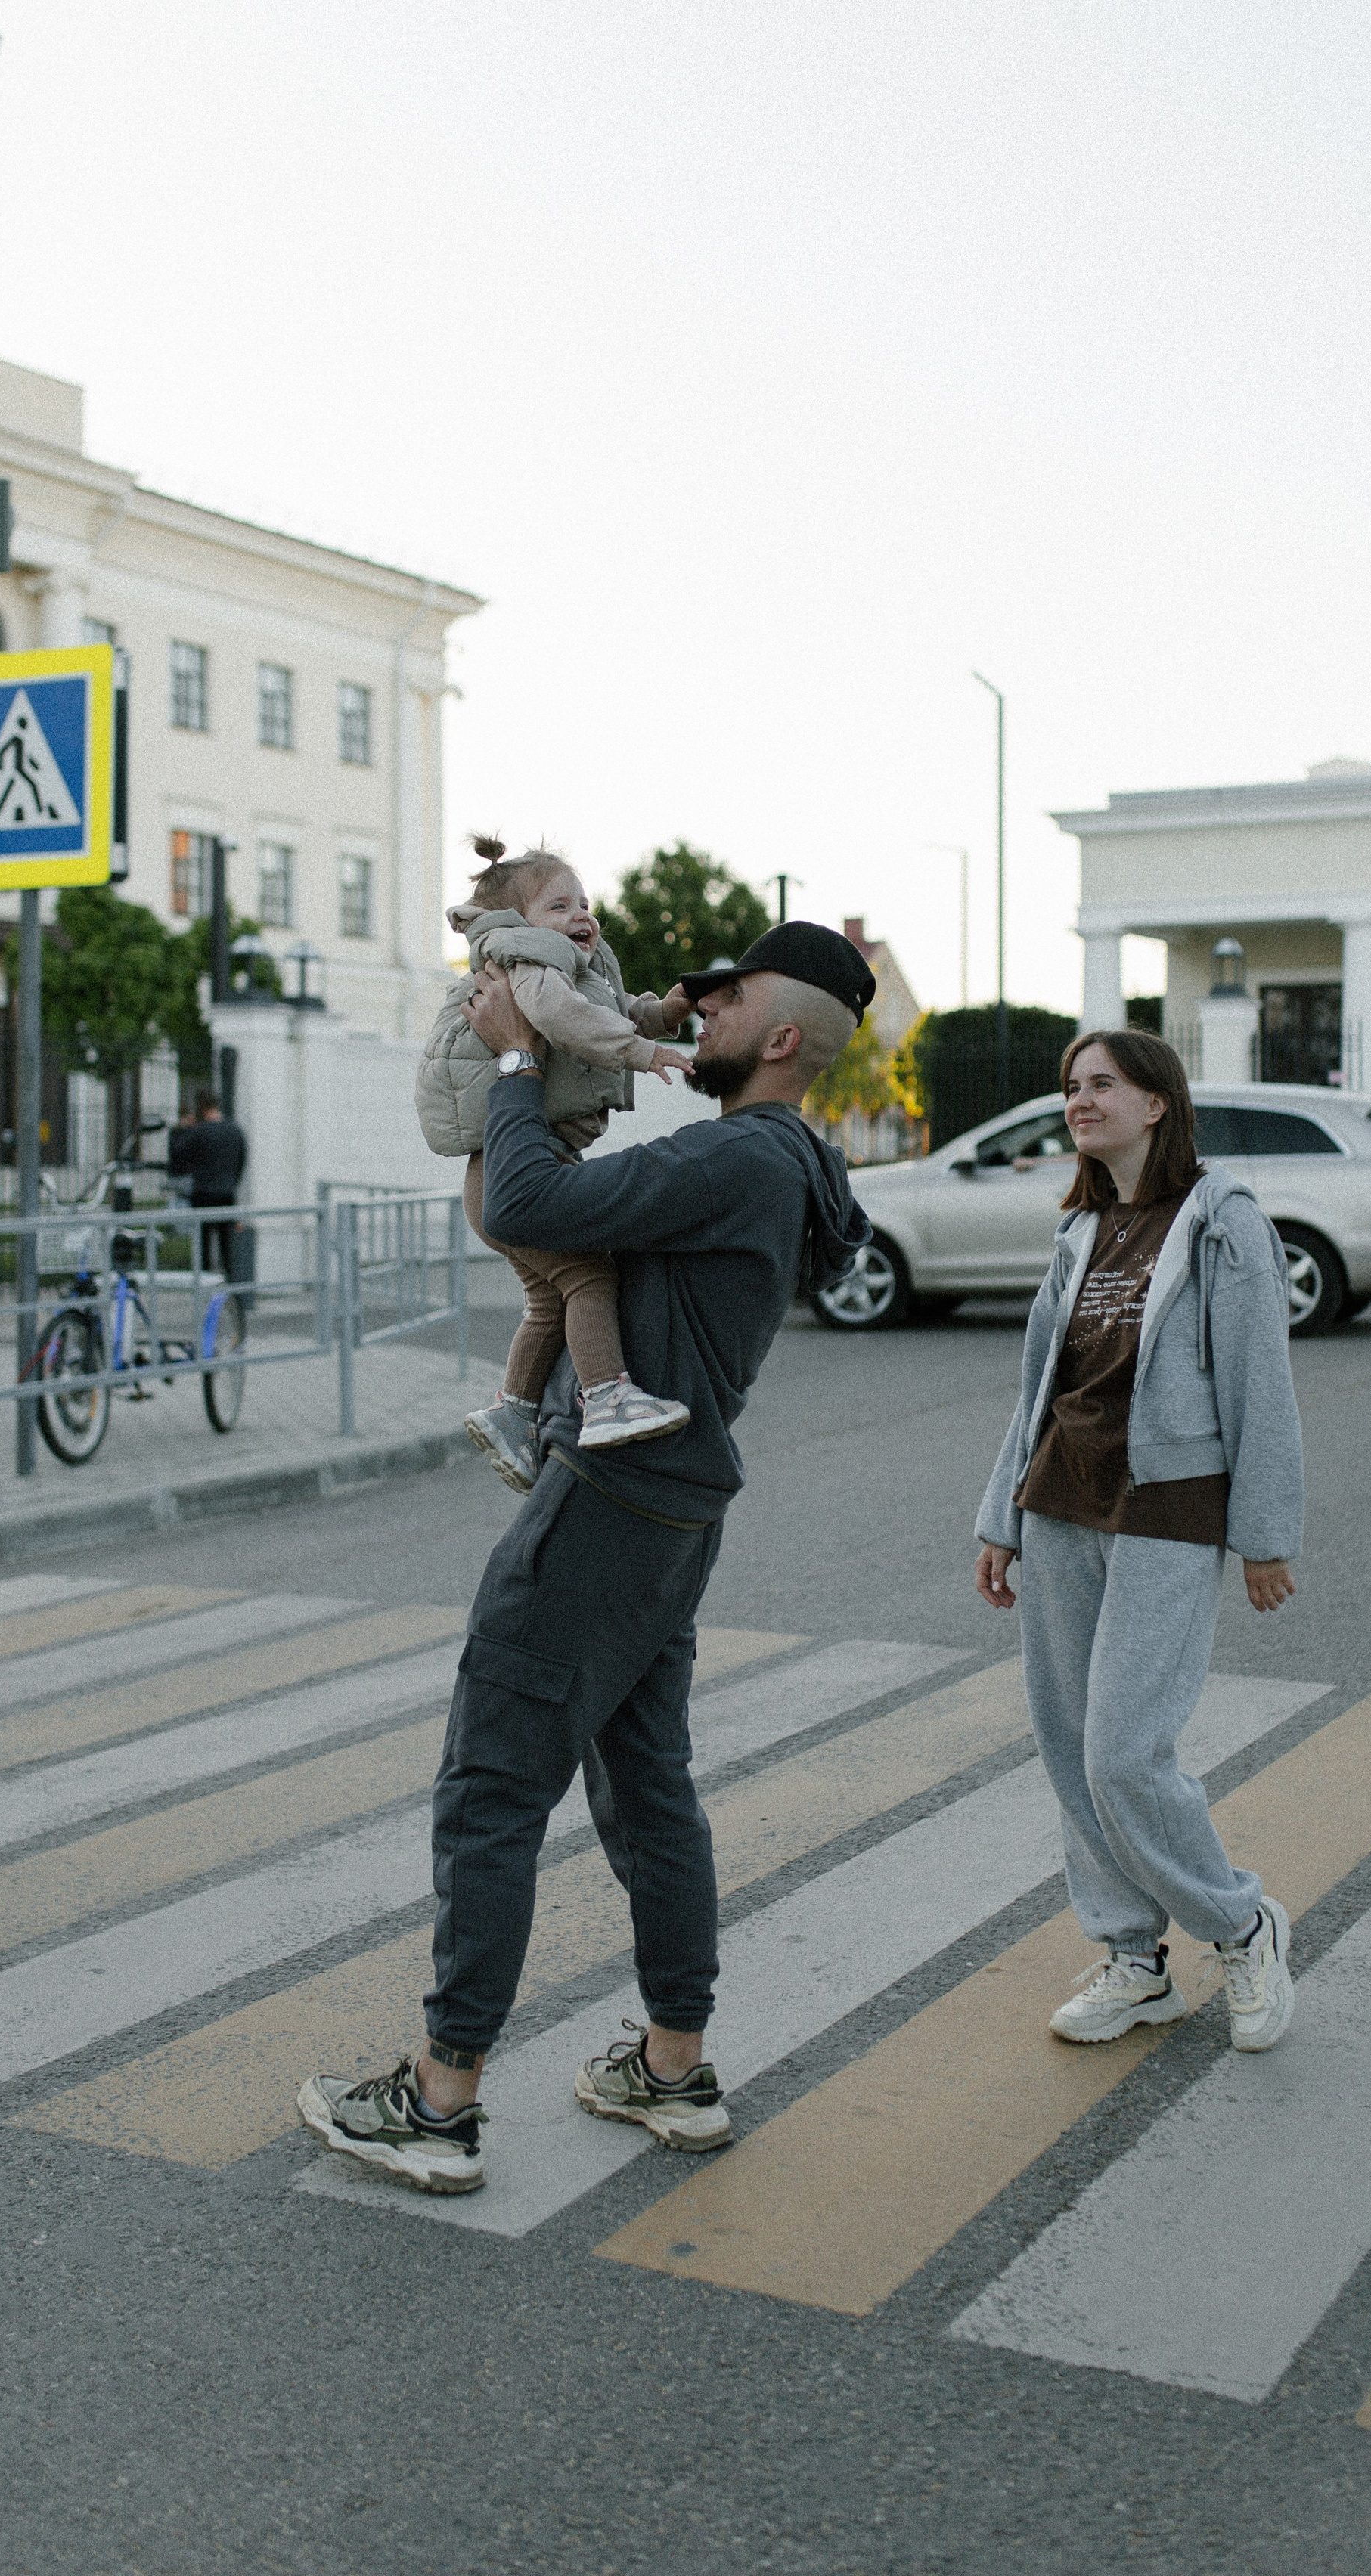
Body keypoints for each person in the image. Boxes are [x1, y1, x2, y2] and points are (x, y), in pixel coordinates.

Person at [299, 921, 877, 2196]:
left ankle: (441, 2099)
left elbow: (530, 1203)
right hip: (674, 1515)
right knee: (645, 1790)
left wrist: (513, 1063)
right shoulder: (794, 1165)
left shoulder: (737, 1154)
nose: (702, 1015)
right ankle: (671, 2068)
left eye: (725, 1003)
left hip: (606, 1503)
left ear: (782, 1037)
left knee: (492, 1789)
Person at [974, 1027, 1304, 2056]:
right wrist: (1000, 1518)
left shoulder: (1220, 1222)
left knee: (1124, 1752)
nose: (1080, 1099)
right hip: (1059, 1504)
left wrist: (1263, 1535)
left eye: (1102, 1083)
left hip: (1166, 1511)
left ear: (1157, 1102)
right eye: (1072, 1085)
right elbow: (1039, 1389)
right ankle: (1135, 1958)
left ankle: (1241, 1925)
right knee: (1072, 1748)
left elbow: (1260, 1381)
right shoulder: (1081, 1230)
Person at [416, 838, 702, 1481]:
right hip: (515, 1166)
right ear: (518, 923)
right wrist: (640, 1051)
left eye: (586, 903)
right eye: (559, 905)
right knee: (588, 1278)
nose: (582, 916)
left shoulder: (572, 965)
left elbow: (611, 1008)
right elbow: (564, 1016)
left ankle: (512, 1416)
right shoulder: (530, 965)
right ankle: (607, 1398)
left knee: (548, 1300)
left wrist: (663, 1014)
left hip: (502, 1169)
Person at [166, 1094, 246, 1275]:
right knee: (228, 1247)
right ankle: (233, 1289)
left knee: (203, 1247)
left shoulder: (199, 1132)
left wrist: (181, 1129)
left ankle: (205, 1286)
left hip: (203, 1194)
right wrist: (232, 1182)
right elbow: (241, 1162)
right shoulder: (235, 1131)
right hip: (227, 1194)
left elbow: (177, 1156)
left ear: (201, 1108)